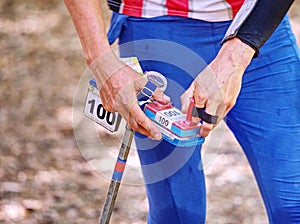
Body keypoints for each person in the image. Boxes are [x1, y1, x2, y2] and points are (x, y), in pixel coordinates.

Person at [64, 0, 300, 223]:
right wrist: (100, 59)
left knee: (293, 205)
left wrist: (235, 58)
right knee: (177, 212)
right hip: (155, 25)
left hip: (259, 25)